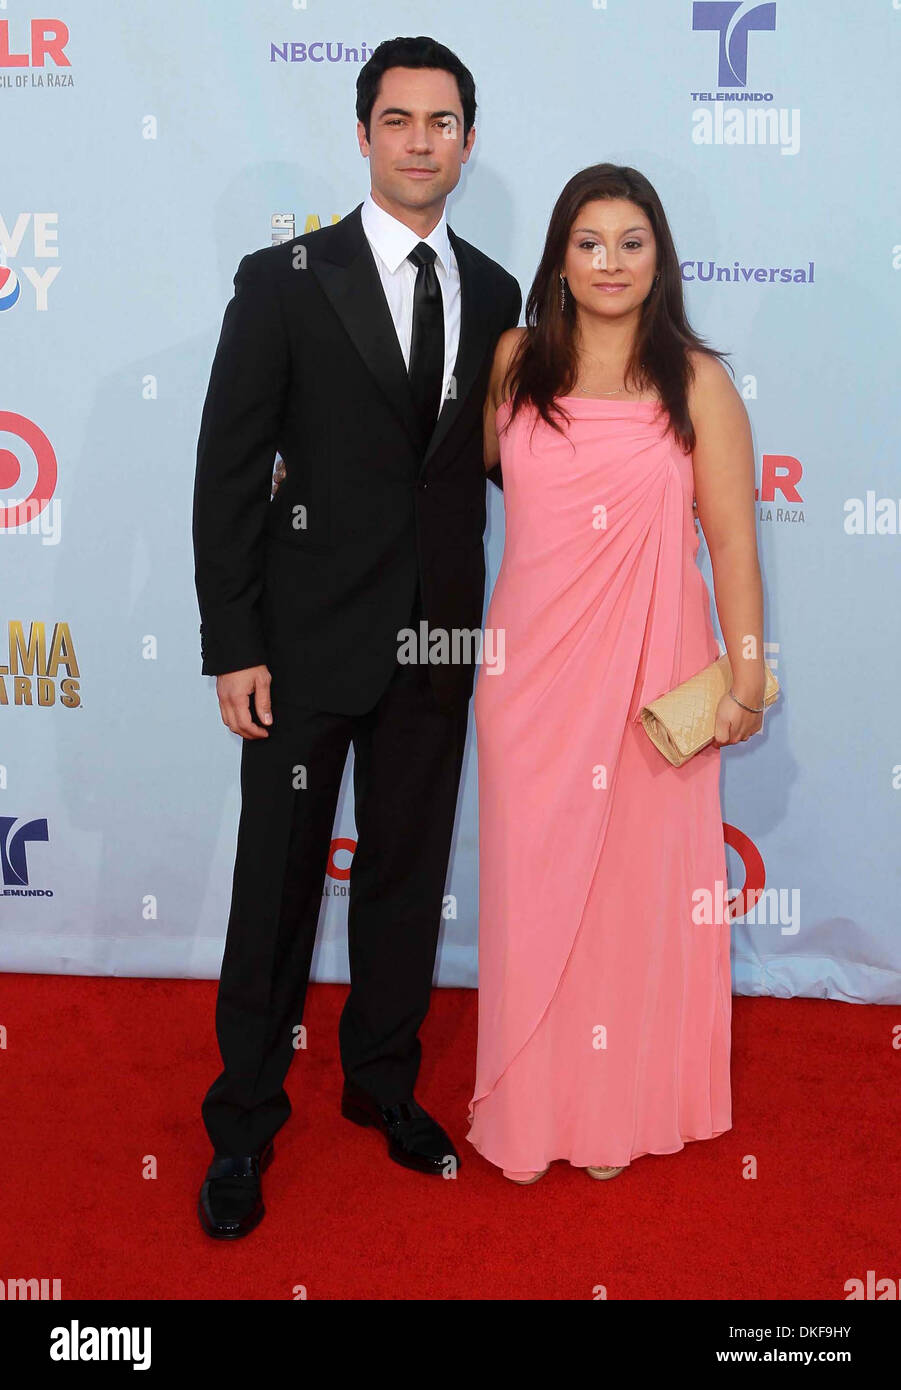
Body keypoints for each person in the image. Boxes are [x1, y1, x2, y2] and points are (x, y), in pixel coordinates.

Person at [192, 35, 521, 1237]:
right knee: (273, 889)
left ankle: (382, 1088)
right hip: (300, 645)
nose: (420, 141)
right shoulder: (282, 277)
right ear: (364, 133)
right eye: (398, 120)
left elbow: (479, 463)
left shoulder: (493, 289)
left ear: (468, 142)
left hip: (436, 644)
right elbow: (228, 472)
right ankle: (240, 1127)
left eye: (442, 122)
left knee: (403, 877)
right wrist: (234, 641)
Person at [469, 163, 766, 1184]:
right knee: (531, 886)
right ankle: (535, 1100)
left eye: (630, 242)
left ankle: (616, 1105)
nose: (609, 261)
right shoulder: (511, 364)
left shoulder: (698, 381)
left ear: (659, 256)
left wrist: (745, 678)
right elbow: (431, 485)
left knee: (633, 896)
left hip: (655, 679)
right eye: (588, 241)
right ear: (559, 255)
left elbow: (731, 545)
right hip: (529, 677)